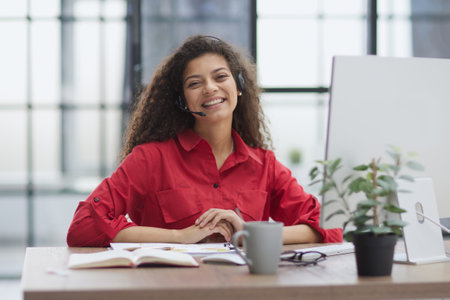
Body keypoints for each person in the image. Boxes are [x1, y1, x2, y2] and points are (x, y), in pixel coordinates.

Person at [66, 35, 342, 247]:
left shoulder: (264, 165)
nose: (210, 87)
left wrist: (250, 233)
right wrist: (180, 237)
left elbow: (329, 227)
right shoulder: (150, 159)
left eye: (220, 77)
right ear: (182, 101)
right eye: (194, 83)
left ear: (240, 87)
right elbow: (84, 225)